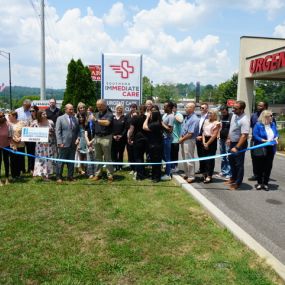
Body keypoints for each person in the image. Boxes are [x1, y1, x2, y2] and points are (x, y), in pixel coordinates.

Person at [226, 100, 250, 190]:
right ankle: (233, 178)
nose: (233, 110)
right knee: (231, 161)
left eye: (235, 109)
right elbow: (231, 128)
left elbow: (244, 135)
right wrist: (228, 138)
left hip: (239, 144)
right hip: (232, 142)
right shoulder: (234, 116)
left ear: (242, 109)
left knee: (239, 164)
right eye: (233, 108)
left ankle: (237, 182)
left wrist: (237, 147)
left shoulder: (245, 120)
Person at [252, 110, 278, 190]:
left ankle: (266, 183)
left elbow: (276, 133)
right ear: (265, 117)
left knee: (268, 166)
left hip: (271, 148)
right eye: (270, 116)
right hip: (261, 147)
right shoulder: (258, 125)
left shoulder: (272, 124)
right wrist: (264, 141)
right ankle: (259, 183)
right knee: (259, 166)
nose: (272, 117)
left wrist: (276, 137)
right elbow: (255, 135)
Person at [55, 104, 79, 183]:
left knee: (71, 161)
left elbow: (78, 131)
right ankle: (59, 176)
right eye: (70, 109)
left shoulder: (75, 119)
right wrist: (59, 142)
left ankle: (70, 176)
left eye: (72, 109)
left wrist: (78, 139)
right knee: (60, 161)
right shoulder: (60, 119)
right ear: (65, 110)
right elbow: (57, 132)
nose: (72, 111)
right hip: (63, 144)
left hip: (73, 144)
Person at [32, 110, 57, 180]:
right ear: (39, 115)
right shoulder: (35, 123)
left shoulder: (50, 122)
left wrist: (50, 133)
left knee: (49, 158)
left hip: (50, 143)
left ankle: (48, 173)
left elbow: (54, 131)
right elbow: (32, 132)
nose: (45, 115)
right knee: (42, 159)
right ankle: (43, 174)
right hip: (40, 145)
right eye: (43, 114)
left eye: (45, 113)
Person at [93, 100, 114, 182]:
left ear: (105, 105)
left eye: (100, 106)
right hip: (97, 137)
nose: (98, 108)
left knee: (107, 157)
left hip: (106, 137)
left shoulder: (109, 114)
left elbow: (107, 123)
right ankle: (98, 174)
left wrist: (96, 120)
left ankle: (110, 175)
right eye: (97, 106)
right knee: (97, 157)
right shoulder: (97, 114)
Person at [178, 103, 199, 183]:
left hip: (189, 140)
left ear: (192, 108)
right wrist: (181, 137)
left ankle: (191, 176)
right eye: (185, 107)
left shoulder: (194, 119)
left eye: (187, 107)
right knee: (184, 157)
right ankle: (186, 173)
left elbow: (190, 133)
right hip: (184, 139)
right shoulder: (187, 117)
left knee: (189, 158)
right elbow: (184, 129)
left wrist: (182, 139)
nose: (185, 109)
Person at [249, 101, 269, 181]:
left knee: (264, 159)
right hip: (254, 141)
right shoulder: (253, 115)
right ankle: (256, 174)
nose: (258, 107)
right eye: (258, 105)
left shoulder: (269, 116)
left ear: (265, 107)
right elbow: (251, 126)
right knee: (254, 158)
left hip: (265, 141)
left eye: (261, 106)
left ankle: (264, 175)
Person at [128, 105, 147, 180]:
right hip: (145, 139)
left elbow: (131, 129)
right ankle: (143, 172)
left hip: (138, 139)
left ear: (138, 110)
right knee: (141, 157)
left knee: (138, 157)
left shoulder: (135, 118)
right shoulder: (146, 118)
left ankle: (139, 175)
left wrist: (129, 137)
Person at [143, 110, 163, 182]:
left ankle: (157, 177)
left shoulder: (156, 124)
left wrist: (147, 118)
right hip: (155, 145)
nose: (150, 116)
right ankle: (154, 176)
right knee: (154, 162)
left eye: (151, 115)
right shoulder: (157, 123)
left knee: (156, 162)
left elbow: (144, 127)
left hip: (156, 146)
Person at [202, 110, 221, 183]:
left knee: (210, 160)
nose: (209, 114)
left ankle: (209, 175)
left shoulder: (217, 123)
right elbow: (203, 132)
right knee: (204, 159)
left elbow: (214, 135)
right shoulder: (206, 121)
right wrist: (204, 142)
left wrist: (207, 144)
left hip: (212, 141)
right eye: (209, 113)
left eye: (211, 113)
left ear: (215, 115)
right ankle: (205, 174)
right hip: (205, 140)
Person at [8, 111, 26, 180]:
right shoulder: (8, 124)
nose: (8, 117)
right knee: (13, 160)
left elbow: (25, 131)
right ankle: (13, 175)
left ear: (14, 116)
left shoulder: (21, 123)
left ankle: (18, 174)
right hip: (12, 144)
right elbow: (7, 134)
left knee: (20, 160)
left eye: (10, 115)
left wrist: (20, 138)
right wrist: (13, 139)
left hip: (20, 143)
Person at [161, 101, 175, 181]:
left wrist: (162, 124)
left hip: (167, 139)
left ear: (169, 108)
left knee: (167, 156)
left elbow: (170, 130)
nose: (163, 108)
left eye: (165, 106)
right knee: (163, 156)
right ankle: (171, 167)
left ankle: (168, 174)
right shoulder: (166, 115)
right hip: (163, 138)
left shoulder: (171, 117)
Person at [218, 105, 232, 179]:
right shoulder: (221, 117)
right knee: (223, 156)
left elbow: (232, 128)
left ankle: (229, 173)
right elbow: (219, 127)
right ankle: (223, 171)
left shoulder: (231, 116)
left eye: (224, 111)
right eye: (221, 111)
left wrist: (229, 138)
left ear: (227, 110)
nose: (222, 113)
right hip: (221, 139)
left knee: (228, 156)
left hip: (228, 139)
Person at [111, 104, 127, 171]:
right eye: (118, 108)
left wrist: (121, 135)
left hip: (122, 138)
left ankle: (120, 166)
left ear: (122, 109)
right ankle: (114, 166)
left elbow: (126, 128)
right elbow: (110, 128)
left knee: (120, 152)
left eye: (120, 108)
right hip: (113, 138)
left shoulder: (124, 117)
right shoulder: (112, 117)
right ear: (116, 109)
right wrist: (113, 135)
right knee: (113, 152)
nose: (119, 110)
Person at [196, 103, 209, 175]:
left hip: (204, 138)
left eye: (203, 108)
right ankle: (201, 169)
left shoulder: (208, 117)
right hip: (198, 139)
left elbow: (207, 129)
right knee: (200, 155)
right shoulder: (200, 116)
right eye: (201, 108)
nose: (201, 109)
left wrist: (201, 136)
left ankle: (206, 171)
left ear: (207, 109)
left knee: (205, 155)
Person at [125, 104, 138, 175]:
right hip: (128, 137)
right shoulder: (127, 116)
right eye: (131, 107)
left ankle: (136, 169)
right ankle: (132, 168)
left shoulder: (138, 116)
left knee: (136, 153)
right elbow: (126, 126)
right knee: (130, 154)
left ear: (136, 108)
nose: (132, 109)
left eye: (134, 108)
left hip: (136, 137)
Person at [171, 103, 183, 173]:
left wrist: (174, 115)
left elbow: (181, 121)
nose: (172, 109)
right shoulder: (167, 114)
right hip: (169, 138)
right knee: (169, 154)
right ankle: (170, 166)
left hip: (176, 138)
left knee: (175, 154)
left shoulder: (179, 114)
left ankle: (175, 166)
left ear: (175, 108)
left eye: (173, 108)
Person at [0, 111, 11, 186]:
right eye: (0, 117)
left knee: (6, 162)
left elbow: (10, 136)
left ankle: (7, 178)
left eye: (3, 116)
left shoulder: (8, 125)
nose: (2, 117)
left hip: (6, 146)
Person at [85, 109, 96, 178]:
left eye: (91, 115)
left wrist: (91, 142)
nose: (90, 117)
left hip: (95, 143)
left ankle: (95, 173)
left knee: (95, 158)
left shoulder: (96, 124)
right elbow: (85, 134)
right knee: (89, 158)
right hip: (88, 143)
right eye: (89, 116)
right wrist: (88, 143)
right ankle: (90, 173)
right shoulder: (87, 124)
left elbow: (97, 135)